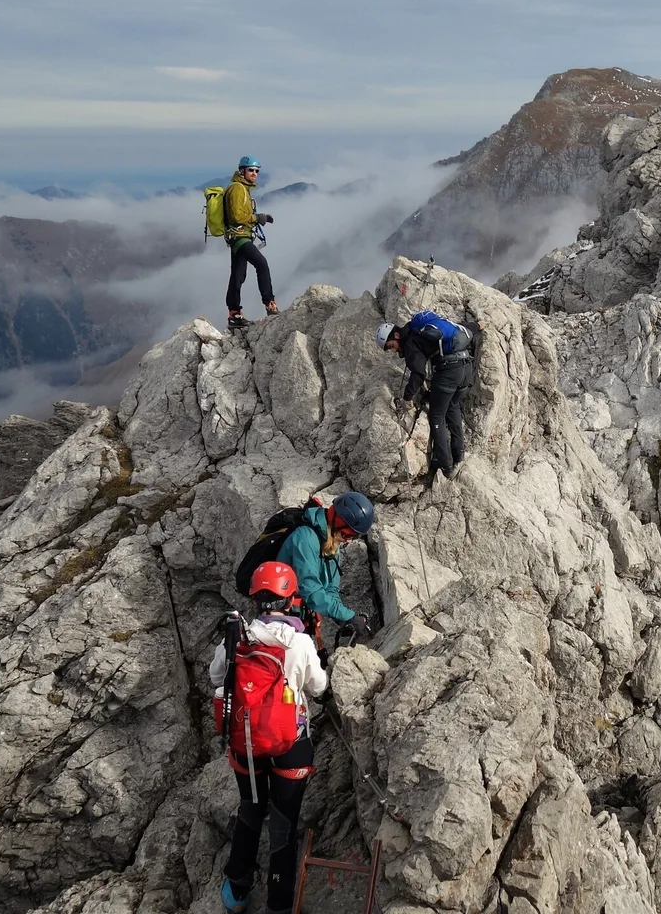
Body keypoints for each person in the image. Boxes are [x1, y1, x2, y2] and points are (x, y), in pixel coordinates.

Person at [211, 561, 328, 914]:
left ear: (255, 599)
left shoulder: (236, 636)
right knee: (283, 823)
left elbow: (217, 676)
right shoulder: (300, 642)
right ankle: (278, 903)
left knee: (250, 807)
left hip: (246, 742)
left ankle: (238, 889)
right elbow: (319, 687)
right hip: (291, 743)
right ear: (290, 599)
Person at [377, 312, 475, 484]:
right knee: (452, 407)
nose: (393, 350)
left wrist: (407, 397)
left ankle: (446, 465)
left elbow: (418, 373)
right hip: (466, 367)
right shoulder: (422, 330)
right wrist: (477, 326)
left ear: (396, 335)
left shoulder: (410, 343)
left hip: (449, 372)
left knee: (437, 416)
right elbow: (458, 329)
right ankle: (459, 453)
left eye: (391, 346)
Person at [276, 491, 375, 640]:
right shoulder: (305, 538)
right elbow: (310, 590)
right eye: (347, 534)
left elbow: (330, 589)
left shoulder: (331, 544)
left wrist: (344, 620)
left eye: (354, 536)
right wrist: (348, 616)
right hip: (280, 617)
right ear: (336, 522)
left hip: (300, 616)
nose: (349, 541)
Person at [223, 156, 278, 330]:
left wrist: (261, 217)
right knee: (261, 264)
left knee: (238, 275)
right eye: (251, 170)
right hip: (239, 237)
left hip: (239, 236)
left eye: (256, 171)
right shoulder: (238, 189)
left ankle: (234, 314)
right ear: (242, 171)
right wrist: (257, 218)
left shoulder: (242, 188)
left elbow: (240, 215)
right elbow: (237, 216)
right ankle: (270, 305)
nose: (254, 173)